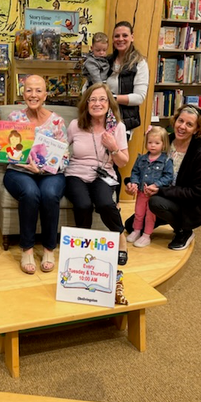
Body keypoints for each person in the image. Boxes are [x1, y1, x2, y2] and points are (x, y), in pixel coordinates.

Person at [0, 75, 68, 275]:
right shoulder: (15, 118)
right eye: (29, 90)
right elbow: (7, 151)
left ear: (46, 95)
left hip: (50, 173)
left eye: (38, 90)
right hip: (18, 172)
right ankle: (27, 249)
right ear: (23, 94)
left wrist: (41, 169)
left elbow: (64, 159)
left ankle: (49, 249)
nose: (34, 95)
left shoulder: (57, 121)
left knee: (49, 194)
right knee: (31, 193)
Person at [64, 83, 129, 266]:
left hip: (103, 174)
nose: (97, 103)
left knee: (105, 203)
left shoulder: (118, 128)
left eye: (102, 99)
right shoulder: (76, 125)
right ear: (86, 104)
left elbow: (123, 162)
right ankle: (84, 245)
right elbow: (60, 147)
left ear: (109, 103)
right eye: (92, 99)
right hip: (75, 173)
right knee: (83, 204)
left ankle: (120, 238)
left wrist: (114, 148)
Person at [147, 105, 201, 250]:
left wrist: (161, 190)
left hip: (188, 205)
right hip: (166, 196)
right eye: (180, 121)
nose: (182, 127)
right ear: (175, 121)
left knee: (155, 202)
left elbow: (197, 193)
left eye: (189, 124)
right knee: (130, 226)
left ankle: (184, 230)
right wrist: (132, 182)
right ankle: (166, 217)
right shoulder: (165, 142)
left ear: (197, 129)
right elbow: (148, 166)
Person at [125, 126, 174, 248]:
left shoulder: (166, 161)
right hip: (141, 193)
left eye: (157, 143)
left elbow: (168, 176)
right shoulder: (141, 159)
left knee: (150, 216)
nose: (152, 145)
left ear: (163, 144)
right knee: (138, 213)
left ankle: (146, 235)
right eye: (150, 142)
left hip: (154, 195)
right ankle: (136, 231)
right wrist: (135, 183)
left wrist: (156, 185)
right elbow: (135, 172)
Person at [105, 21, 149, 133]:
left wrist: (111, 99)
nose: (120, 39)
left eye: (125, 35)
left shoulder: (139, 63)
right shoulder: (105, 62)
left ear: (132, 37)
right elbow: (89, 85)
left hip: (124, 121)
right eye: (116, 36)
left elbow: (139, 97)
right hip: (100, 118)